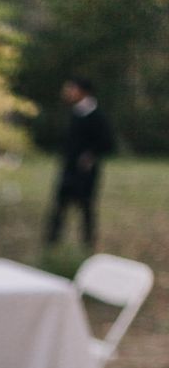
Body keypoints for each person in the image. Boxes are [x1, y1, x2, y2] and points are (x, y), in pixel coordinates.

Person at [46, 77, 114, 249]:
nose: (68, 92)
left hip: (85, 172)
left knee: (86, 207)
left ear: (83, 91)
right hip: (68, 168)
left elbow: (107, 142)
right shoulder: (75, 112)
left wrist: (90, 155)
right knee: (59, 207)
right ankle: (52, 242)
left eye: (72, 89)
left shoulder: (97, 115)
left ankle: (87, 243)